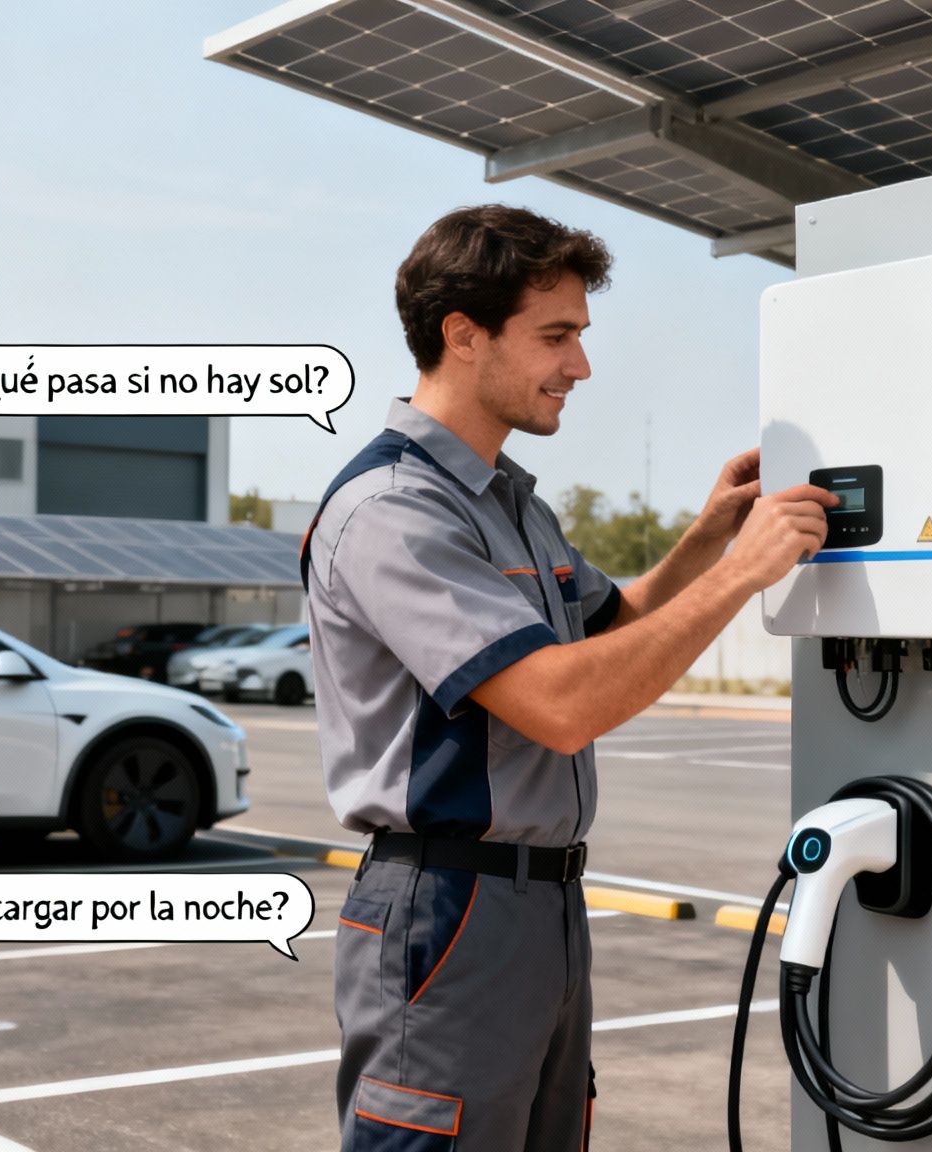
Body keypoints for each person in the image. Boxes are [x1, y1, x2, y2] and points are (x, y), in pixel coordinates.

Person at [302, 204, 835, 1151]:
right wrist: (749, 573)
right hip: (449, 909)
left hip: (540, 905)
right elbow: (562, 703)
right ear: (463, 336)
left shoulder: (508, 500)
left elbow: (611, 629)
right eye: (556, 337)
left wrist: (712, 538)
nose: (579, 367)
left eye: (579, 337)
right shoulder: (393, 510)